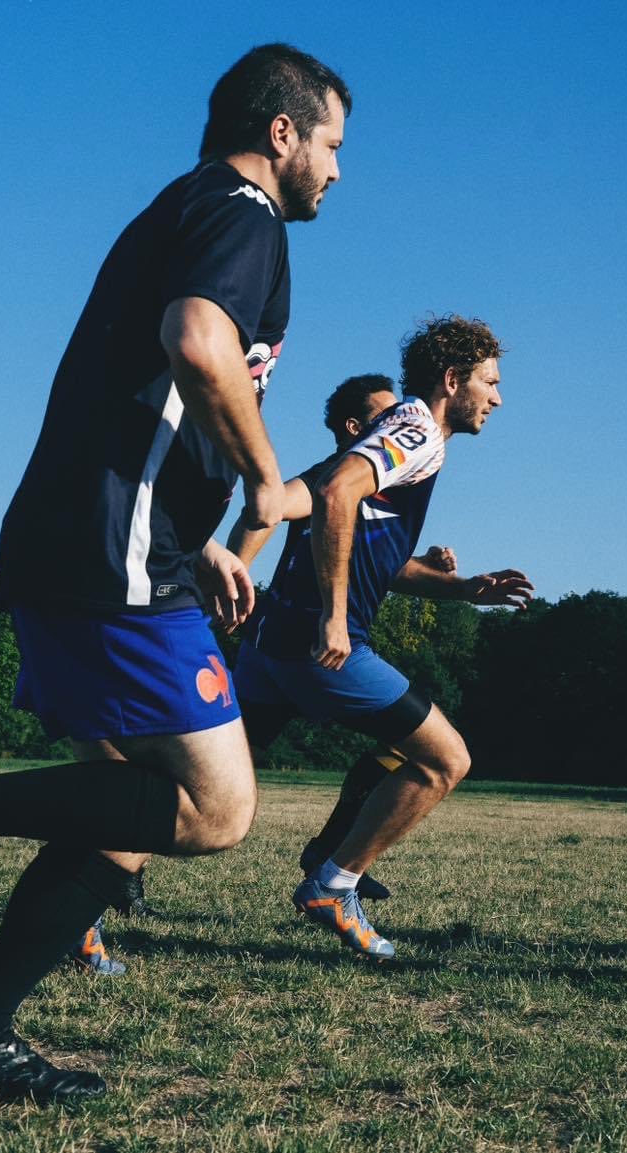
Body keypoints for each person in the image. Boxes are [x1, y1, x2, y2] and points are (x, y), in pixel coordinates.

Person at [0, 43, 351, 1105]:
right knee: (215, 808)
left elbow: (138, 396)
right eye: (332, 144)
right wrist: (267, 483)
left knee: (125, 824)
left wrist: (197, 536)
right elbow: (197, 343)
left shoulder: (182, 207)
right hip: (112, 550)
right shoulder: (244, 214)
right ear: (281, 132)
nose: (338, 170)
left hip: (96, 537)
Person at [231, 319, 533, 960]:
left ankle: (89, 887)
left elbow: (304, 513)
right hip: (322, 650)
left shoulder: (385, 440)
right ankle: (333, 882)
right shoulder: (418, 429)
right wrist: (335, 616)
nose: (498, 398)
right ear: (454, 381)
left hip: (267, 646)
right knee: (445, 760)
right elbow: (338, 496)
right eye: (491, 381)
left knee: (211, 784)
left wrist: (464, 588)